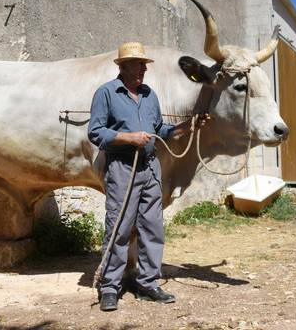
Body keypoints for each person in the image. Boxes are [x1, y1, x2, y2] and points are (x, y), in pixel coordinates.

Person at [88, 42, 208, 312]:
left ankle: (148, 284)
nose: (143, 68)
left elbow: (160, 130)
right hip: (122, 167)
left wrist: (186, 127)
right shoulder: (106, 93)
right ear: (124, 66)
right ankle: (109, 287)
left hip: (150, 168)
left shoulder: (149, 95)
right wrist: (127, 137)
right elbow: (95, 132)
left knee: (152, 228)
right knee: (119, 228)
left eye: (144, 64)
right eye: (138, 64)